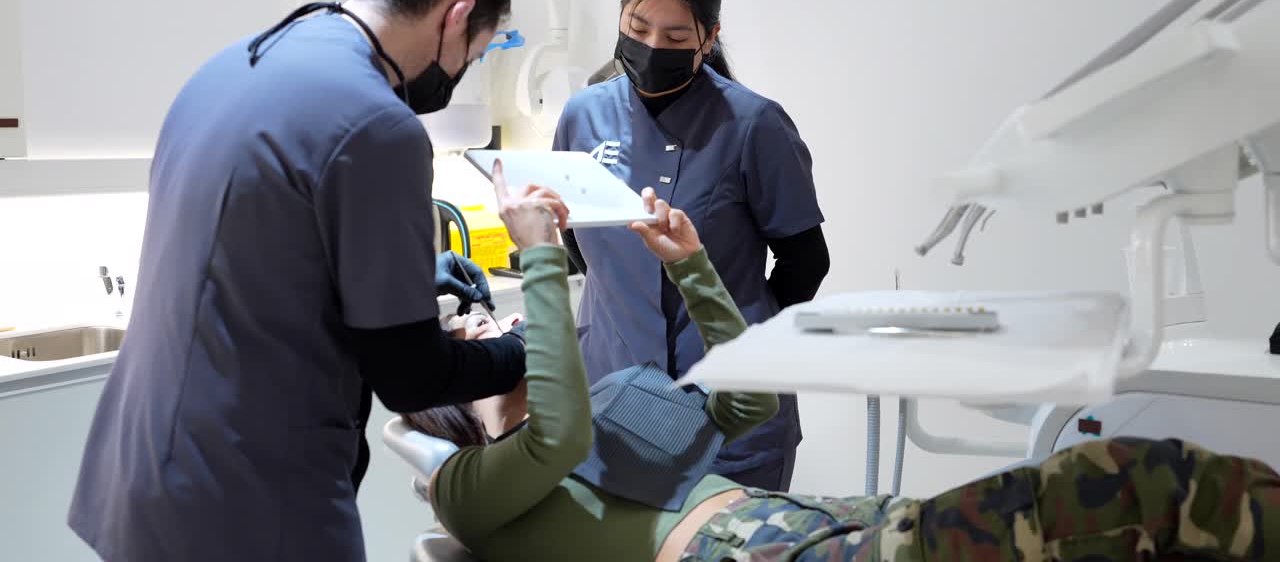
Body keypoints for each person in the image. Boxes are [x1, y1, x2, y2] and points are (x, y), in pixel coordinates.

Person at [410, 173, 1280, 562]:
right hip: (745, 554)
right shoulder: (467, 486)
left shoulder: (605, 402)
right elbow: (552, 440)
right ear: (449, 383)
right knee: (1136, 481)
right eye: (484, 323)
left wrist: (693, 265)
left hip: (802, 521)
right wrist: (543, 261)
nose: (511, 320)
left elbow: (745, 402)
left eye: (507, 307)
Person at [67, 0, 545, 562]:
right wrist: (524, 347)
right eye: (478, 52)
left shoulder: (234, 65)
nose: (462, 70)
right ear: (457, 15)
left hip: (141, 471)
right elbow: (411, 375)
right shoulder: (379, 124)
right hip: (246, 497)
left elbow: (256, 256)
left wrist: (410, 280)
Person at [553, 0, 829, 491]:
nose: (654, 45)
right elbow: (577, 243)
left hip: (728, 411)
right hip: (613, 394)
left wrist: (743, 338)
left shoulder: (754, 125)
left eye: (677, 37)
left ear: (709, 36)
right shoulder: (583, 116)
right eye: (638, 25)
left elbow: (806, 261)